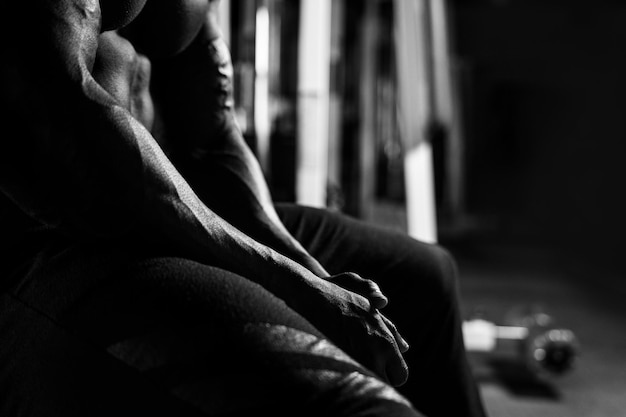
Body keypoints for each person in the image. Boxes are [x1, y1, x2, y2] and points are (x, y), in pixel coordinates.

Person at [0, 1, 487, 416]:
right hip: (51, 246)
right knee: (343, 403)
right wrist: (294, 287)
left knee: (425, 277)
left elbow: (211, 135)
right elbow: (68, 133)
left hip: (170, 212)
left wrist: (310, 272)